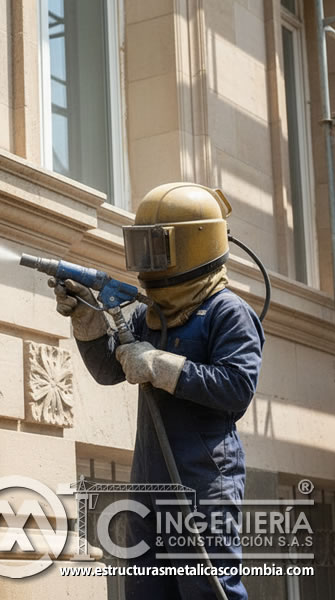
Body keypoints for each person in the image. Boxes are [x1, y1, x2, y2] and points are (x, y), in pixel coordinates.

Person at [53, 183, 264, 599]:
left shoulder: (228, 312)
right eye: (142, 246)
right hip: (149, 481)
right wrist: (87, 320)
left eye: (157, 247)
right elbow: (108, 371)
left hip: (203, 481)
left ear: (191, 245)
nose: (147, 260)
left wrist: (160, 366)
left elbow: (237, 387)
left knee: (208, 591)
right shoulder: (149, 313)